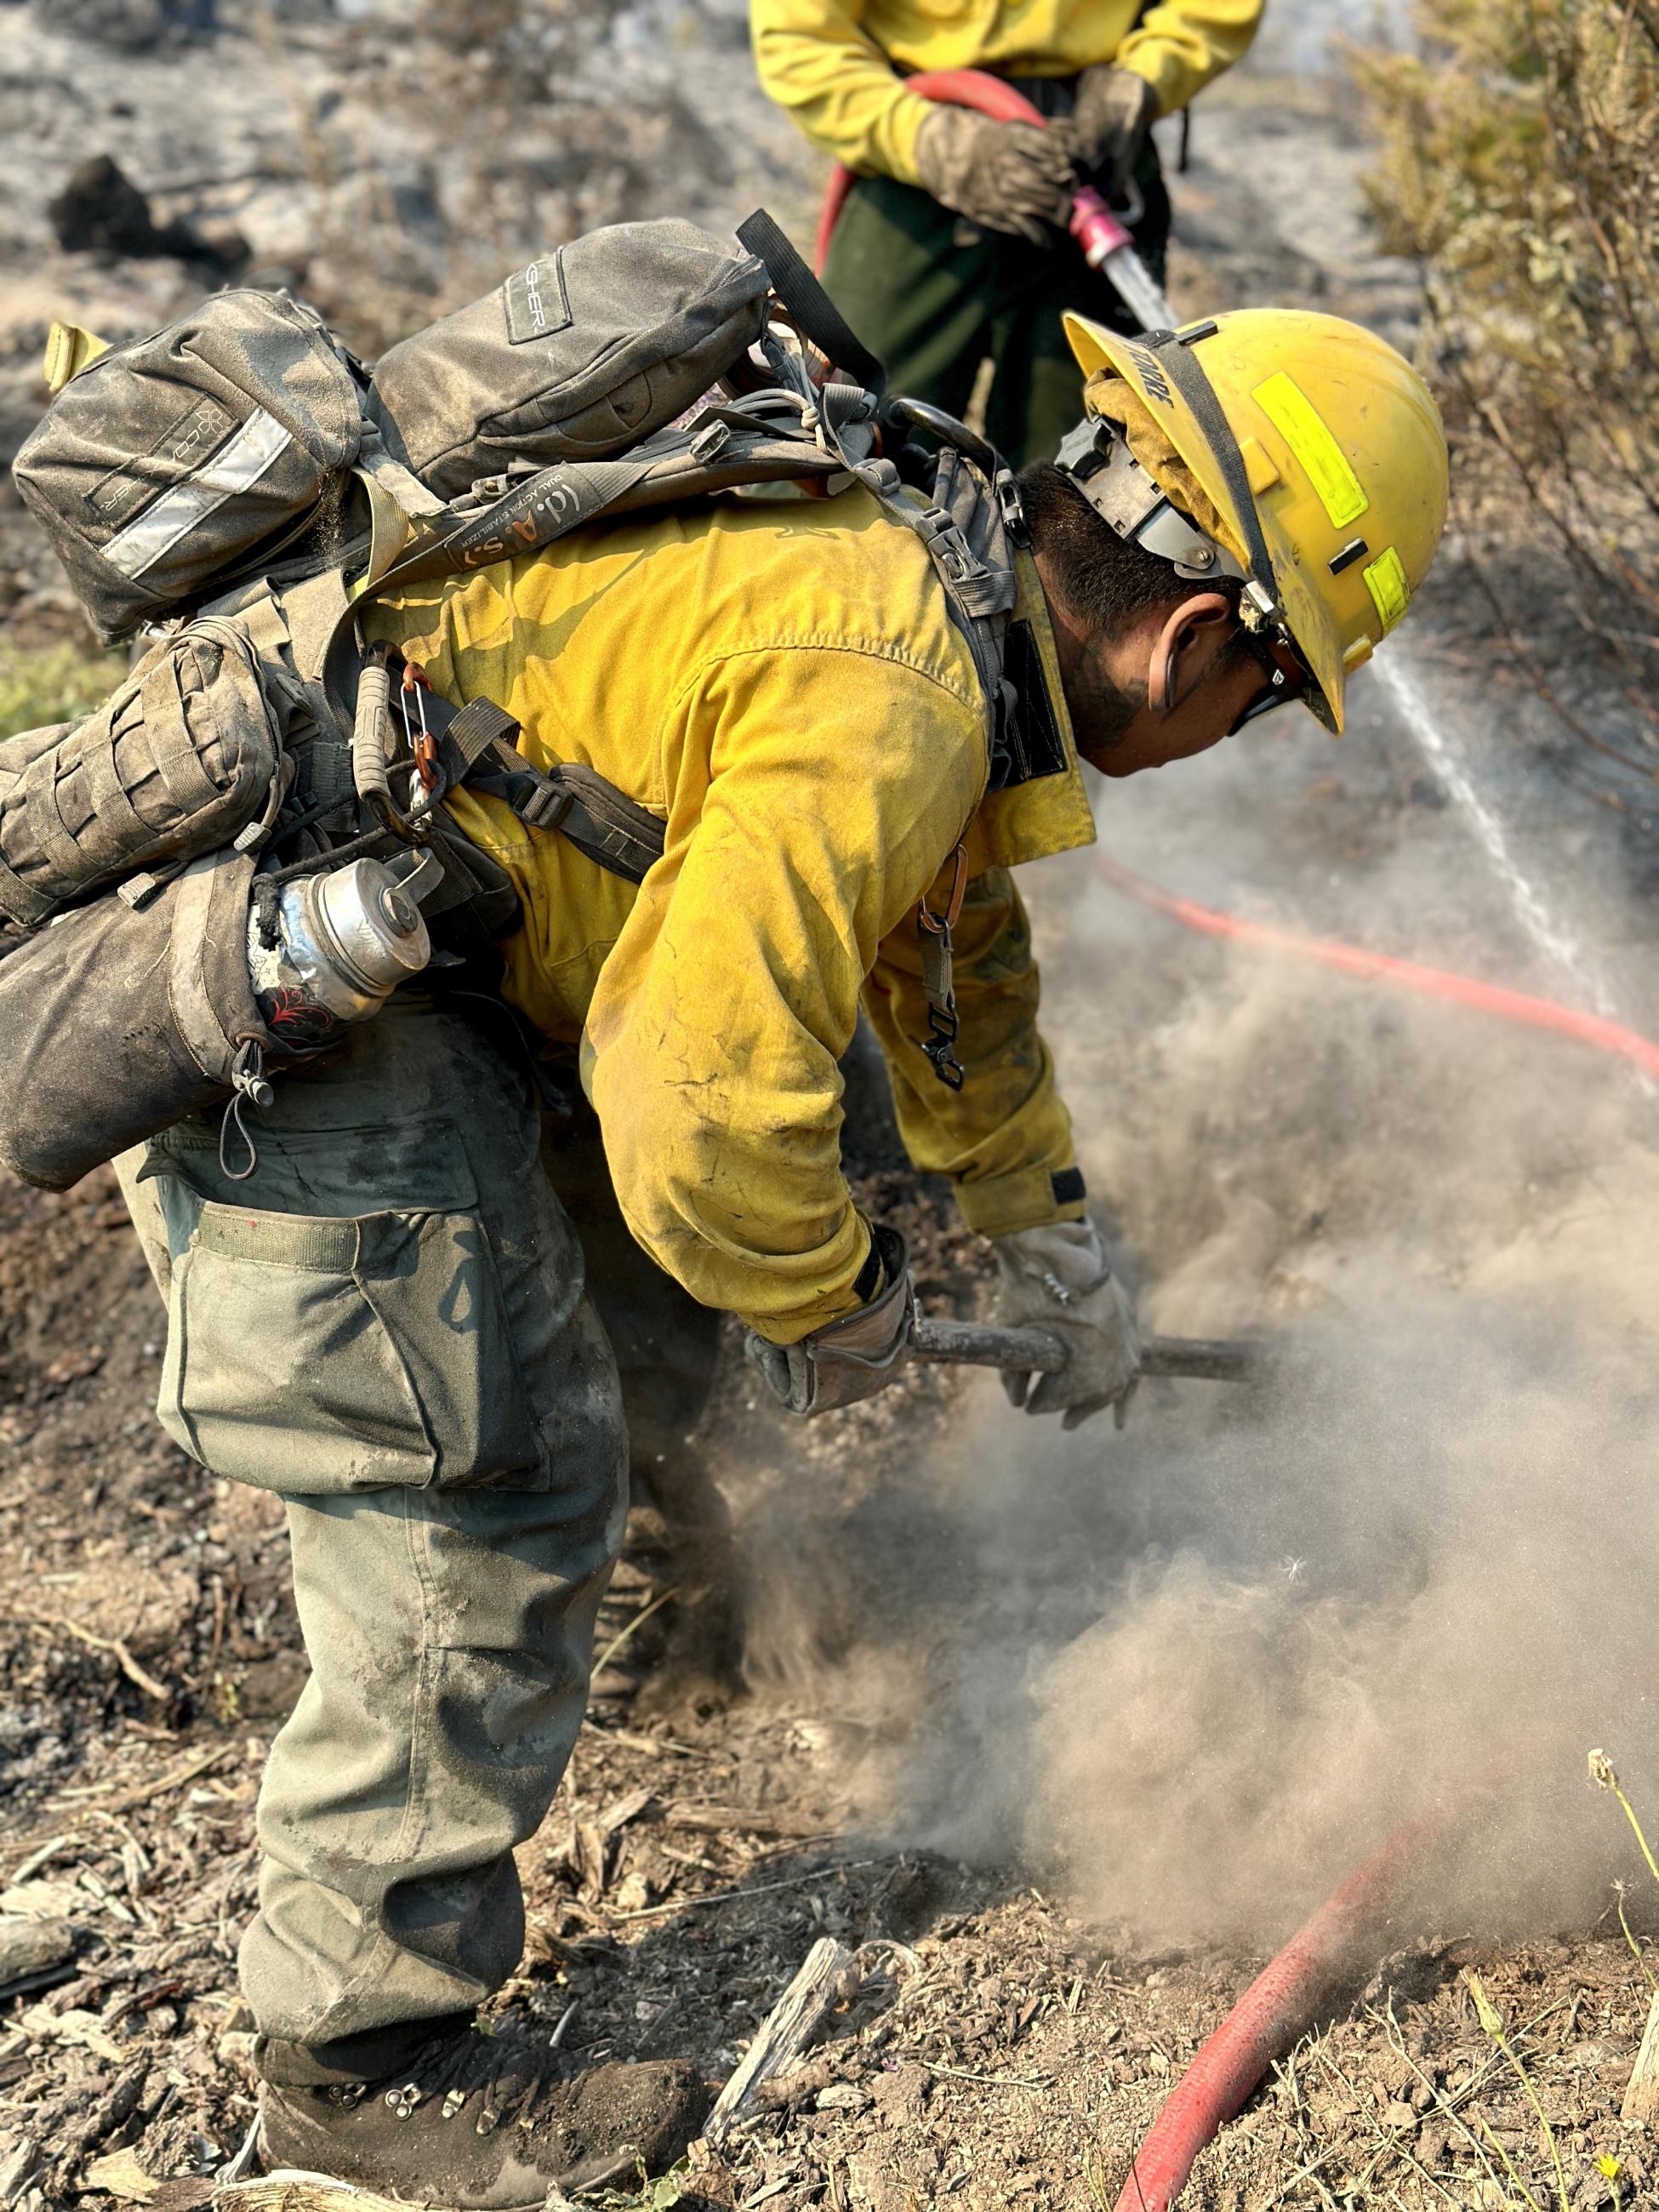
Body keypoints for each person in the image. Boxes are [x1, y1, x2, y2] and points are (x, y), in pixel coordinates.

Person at [117, 304, 1447, 2206]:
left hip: (465, 959)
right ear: (1204, 632)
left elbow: (954, 972)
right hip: (316, 1001)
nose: (1242, 735)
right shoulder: (894, 687)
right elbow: (699, 1114)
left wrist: (1052, 1248)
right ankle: (362, 2057)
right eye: (1275, 694)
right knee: (478, 1482)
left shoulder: (948, 590)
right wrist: (837, 1303)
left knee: (650, 1312)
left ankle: (671, 1616)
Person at [750, 0, 1266, 466]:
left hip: (1096, 155)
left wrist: (1143, 79)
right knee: (830, 453)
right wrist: (928, 140)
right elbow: (798, 35)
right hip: (916, 170)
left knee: (1095, 482)